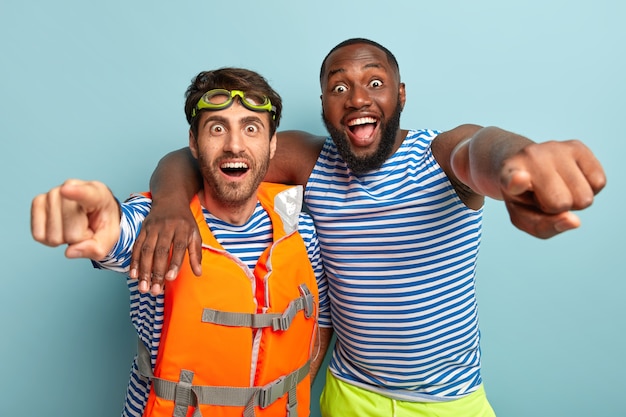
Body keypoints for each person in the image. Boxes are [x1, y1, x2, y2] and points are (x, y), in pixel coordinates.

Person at [131, 39, 606, 417]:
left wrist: (519, 163)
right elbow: (193, 155)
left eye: (374, 83)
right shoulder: (309, 160)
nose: (357, 98)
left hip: (450, 401)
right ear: (323, 104)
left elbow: (480, 147)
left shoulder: (439, 155)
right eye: (339, 88)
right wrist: (169, 205)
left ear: (400, 95)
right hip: (348, 396)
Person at [30, 67, 332, 417]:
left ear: (272, 143)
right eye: (217, 129)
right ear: (193, 142)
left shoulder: (301, 231)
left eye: (251, 128)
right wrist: (94, 221)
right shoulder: (157, 222)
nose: (234, 145)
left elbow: (317, 322)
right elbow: (117, 232)